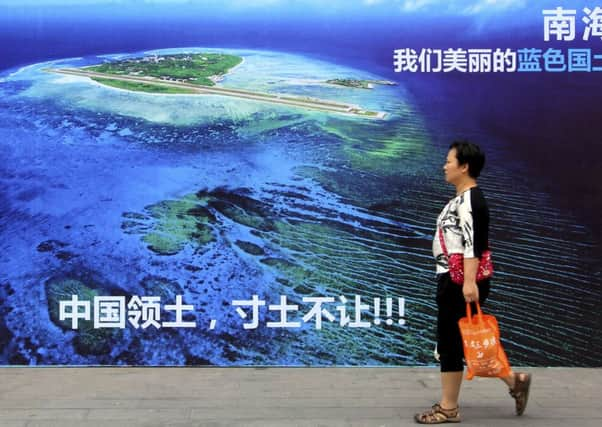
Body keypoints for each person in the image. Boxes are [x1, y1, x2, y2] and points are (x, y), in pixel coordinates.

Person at [415, 141, 531, 424]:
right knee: (462, 341)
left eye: (449, 161)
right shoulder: (460, 199)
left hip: (459, 281)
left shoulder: (470, 201)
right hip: (454, 278)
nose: (444, 166)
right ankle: (516, 381)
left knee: (450, 343)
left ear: (464, 166)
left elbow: (474, 245)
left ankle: (448, 408)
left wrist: (468, 282)